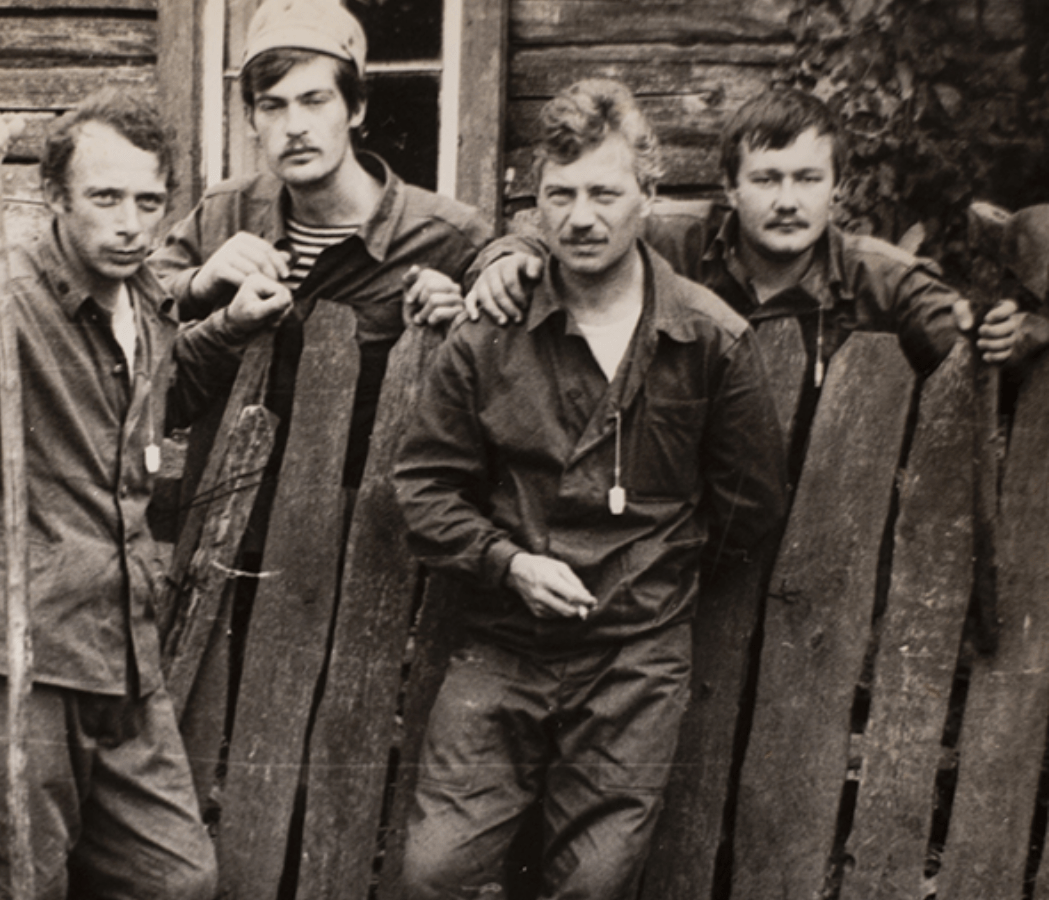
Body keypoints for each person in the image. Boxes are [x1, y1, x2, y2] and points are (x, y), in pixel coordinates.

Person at [391, 79, 788, 900]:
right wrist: (508, 564)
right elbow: (425, 489)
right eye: (559, 195)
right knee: (437, 874)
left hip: (635, 661)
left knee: (596, 882)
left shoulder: (710, 340)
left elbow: (748, 506)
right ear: (533, 206)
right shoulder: (487, 336)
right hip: (504, 644)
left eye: (604, 192)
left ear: (649, 195)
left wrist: (650, 577)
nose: (581, 217)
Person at [0, 90, 290, 900]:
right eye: (106, 199)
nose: (131, 224)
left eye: (149, 201)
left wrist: (233, 324)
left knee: (176, 878)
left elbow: (151, 406)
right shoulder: (9, 295)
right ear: (56, 199)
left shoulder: (143, 301)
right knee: (18, 886)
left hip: (120, 652)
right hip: (15, 654)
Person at [465, 88, 1048, 401]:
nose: (787, 201)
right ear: (730, 187)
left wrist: (1019, 335)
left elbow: (971, 355)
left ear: (837, 188)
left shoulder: (883, 277)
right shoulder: (680, 245)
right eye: (767, 180)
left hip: (840, 509)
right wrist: (505, 257)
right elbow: (581, 234)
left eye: (808, 179)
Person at [148, 0, 490, 484]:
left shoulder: (447, 235)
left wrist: (459, 324)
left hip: (369, 537)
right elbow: (133, 304)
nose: (294, 127)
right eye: (272, 105)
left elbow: (507, 360)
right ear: (250, 118)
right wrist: (199, 282)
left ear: (356, 107)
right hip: (223, 530)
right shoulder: (226, 212)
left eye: (315, 100)